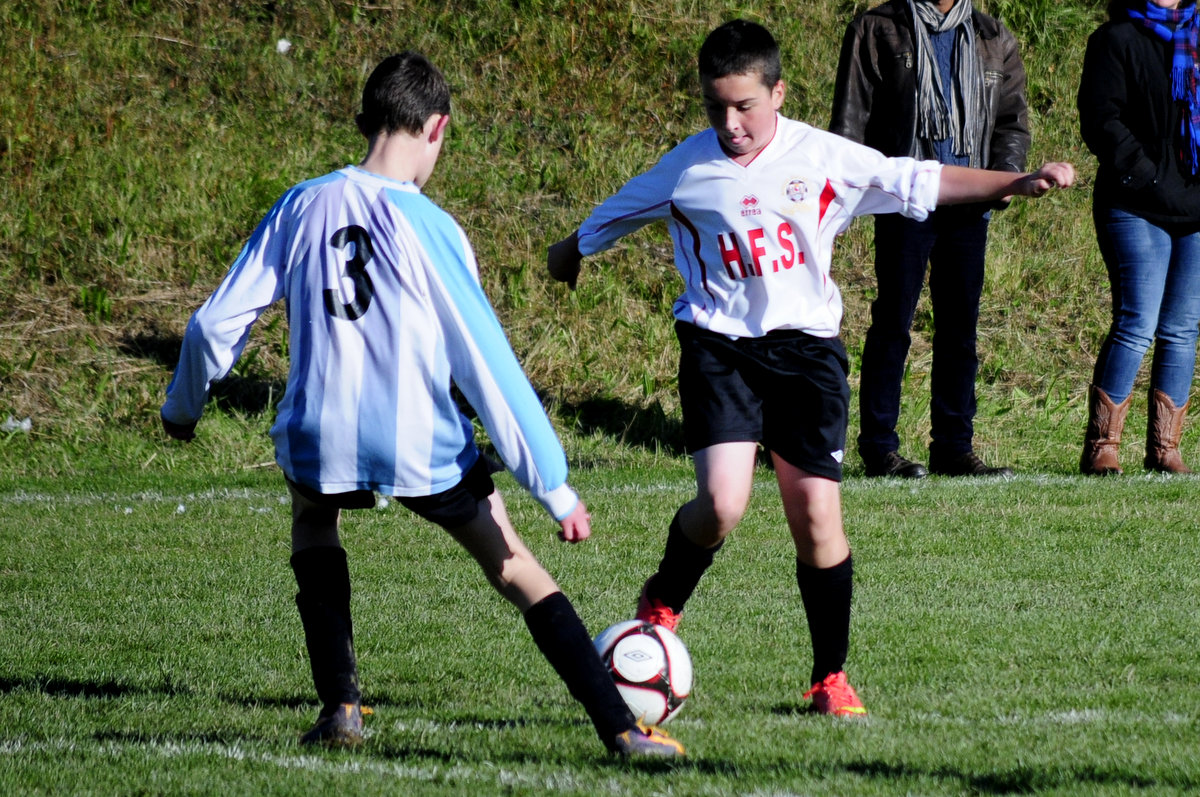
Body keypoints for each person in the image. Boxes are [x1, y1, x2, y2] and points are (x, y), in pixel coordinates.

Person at [160, 51, 684, 758]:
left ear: (364, 121)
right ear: (436, 128)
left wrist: (182, 408)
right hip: (418, 443)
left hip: (319, 433)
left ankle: (341, 704)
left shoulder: (301, 202)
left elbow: (213, 324)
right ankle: (620, 728)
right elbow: (486, 364)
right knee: (513, 567)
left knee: (314, 523)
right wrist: (552, 484)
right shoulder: (432, 227)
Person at [547, 20, 1072, 717]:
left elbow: (919, 177)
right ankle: (664, 597)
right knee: (723, 505)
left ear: (778, 93)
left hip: (807, 356)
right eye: (716, 107)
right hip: (719, 348)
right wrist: (571, 249)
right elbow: (611, 217)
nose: (731, 124)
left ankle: (830, 678)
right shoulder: (688, 167)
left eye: (745, 106)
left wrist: (1019, 179)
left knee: (817, 516)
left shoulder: (822, 156)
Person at [830, 0, 1031, 479]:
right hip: (902, 196)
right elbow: (850, 120)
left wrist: (1004, 177)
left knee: (960, 328)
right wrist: (843, 191)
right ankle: (880, 447)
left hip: (967, 200)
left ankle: (954, 446)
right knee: (893, 322)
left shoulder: (993, 36)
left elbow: (1011, 122)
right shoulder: (877, 27)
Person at [1078, 0, 1200, 475]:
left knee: (1183, 329)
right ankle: (1103, 446)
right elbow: (1101, 120)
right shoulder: (1115, 40)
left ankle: (1165, 450)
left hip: (1194, 207)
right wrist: (1147, 174)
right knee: (1137, 323)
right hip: (1134, 203)